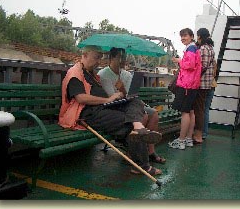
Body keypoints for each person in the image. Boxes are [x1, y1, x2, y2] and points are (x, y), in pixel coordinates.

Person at [59, 45, 162, 175]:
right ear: (84, 55)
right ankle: (141, 165)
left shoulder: (90, 73)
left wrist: (118, 95)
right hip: (88, 114)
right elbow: (80, 98)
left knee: (135, 101)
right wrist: (107, 100)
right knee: (129, 123)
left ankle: (137, 125)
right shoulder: (75, 73)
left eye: (100, 58)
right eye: (96, 58)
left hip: (103, 108)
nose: (98, 62)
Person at [98, 47, 166, 164]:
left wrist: (123, 89)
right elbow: (111, 98)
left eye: (124, 58)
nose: (123, 61)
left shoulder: (126, 75)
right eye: (120, 57)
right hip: (114, 108)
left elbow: (130, 95)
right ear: (112, 58)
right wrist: (121, 91)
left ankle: (150, 152)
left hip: (129, 104)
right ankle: (132, 154)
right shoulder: (103, 75)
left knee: (154, 114)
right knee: (142, 116)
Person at [168, 28, 202, 150]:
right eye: (181, 36)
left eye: (185, 36)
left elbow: (190, 65)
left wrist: (179, 61)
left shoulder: (191, 48)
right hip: (193, 85)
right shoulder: (194, 48)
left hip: (187, 85)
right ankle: (188, 139)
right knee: (191, 112)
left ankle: (181, 140)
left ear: (191, 36)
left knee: (185, 112)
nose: (183, 38)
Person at [192, 28, 215, 144]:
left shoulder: (204, 48)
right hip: (209, 83)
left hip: (202, 83)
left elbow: (202, 66)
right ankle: (202, 133)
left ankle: (199, 135)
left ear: (200, 36)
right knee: (204, 109)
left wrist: (192, 76)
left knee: (199, 110)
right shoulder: (211, 48)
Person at [202, 38, 217, 140]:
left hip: (204, 85)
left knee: (200, 109)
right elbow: (214, 73)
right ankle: (205, 132)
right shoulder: (214, 61)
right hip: (212, 85)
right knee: (206, 109)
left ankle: (201, 131)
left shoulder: (204, 55)